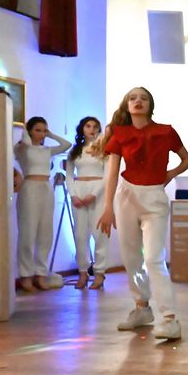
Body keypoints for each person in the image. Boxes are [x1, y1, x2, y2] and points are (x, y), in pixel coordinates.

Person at [97, 87, 188, 340]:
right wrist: (107, 208)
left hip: (154, 197)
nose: (138, 101)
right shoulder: (119, 133)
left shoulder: (166, 131)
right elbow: (112, 173)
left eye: (143, 98)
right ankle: (141, 308)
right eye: (132, 98)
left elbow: (187, 159)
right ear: (126, 105)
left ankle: (170, 319)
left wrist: (170, 174)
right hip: (126, 195)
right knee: (131, 256)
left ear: (151, 105)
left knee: (153, 258)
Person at [13, 116, 71, 292]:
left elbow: (66, 145)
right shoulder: (22, 148)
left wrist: (50, 134)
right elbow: (25, 143)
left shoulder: (47, 150)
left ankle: (40, 273)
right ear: (29, 131)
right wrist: (25, 130)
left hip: (46, 188)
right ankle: (25, 276)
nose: (42, 133)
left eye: (44, 130)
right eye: (37, 130)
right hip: (30, 188)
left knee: (46, 233)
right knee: (28, 233)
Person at [65, 117, 109, 290]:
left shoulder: (104, 150)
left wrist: (93, 194)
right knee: (80, 234)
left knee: (100, 234)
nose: (92, 129)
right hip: (79, 190)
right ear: (82, 129)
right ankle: (83, 272)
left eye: (95, 127)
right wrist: (73, 195)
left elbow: (107, 176)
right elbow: (69, 175)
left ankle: (99, 273)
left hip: (98, 192)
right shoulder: (75, 151)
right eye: (88, 126)